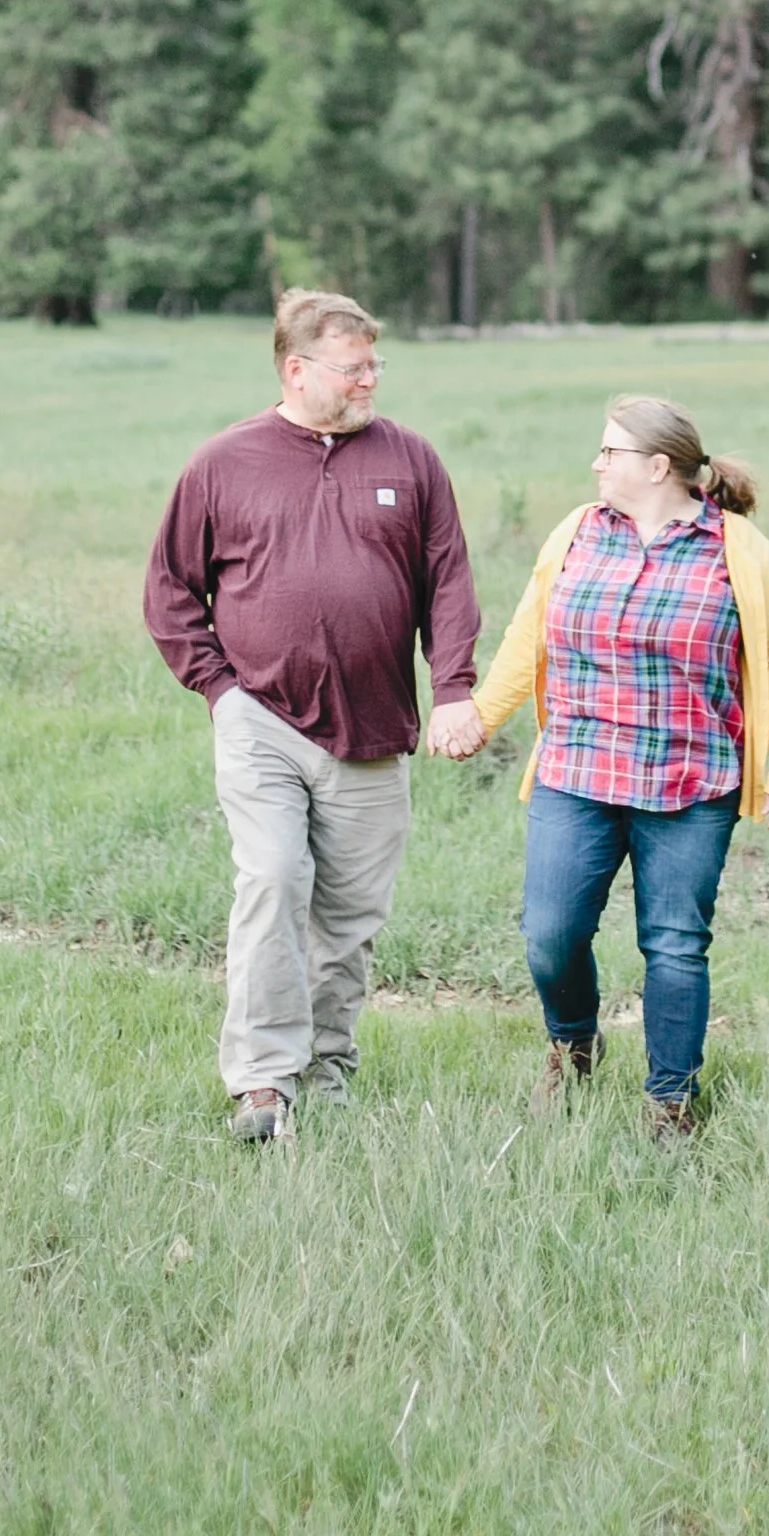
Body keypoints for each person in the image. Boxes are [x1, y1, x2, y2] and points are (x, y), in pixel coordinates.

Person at [144, 289, 479, 1143]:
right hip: (259, 717)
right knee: (272, 882)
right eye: (353, 367)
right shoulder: (223, 462)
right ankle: (261, 1083)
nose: (370, 379)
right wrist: (220, 691)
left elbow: (447, 583)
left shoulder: (411, 461)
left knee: (349, 919)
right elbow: (172, 593)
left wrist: (453, 688)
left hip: (372, 729)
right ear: (297, 370)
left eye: (375, 365)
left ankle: (326, 1066)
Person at [427, 393, 769, 1139]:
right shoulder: (577, 531)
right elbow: (527, 637)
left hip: (691, 780)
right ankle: (573, 1043)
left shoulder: (738, 549)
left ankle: (670, 1101)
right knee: (550, 934)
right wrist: (478, 715)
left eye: (611, 452)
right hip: (578, 770)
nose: (597, 463)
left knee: (674, 943)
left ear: (658, 466)